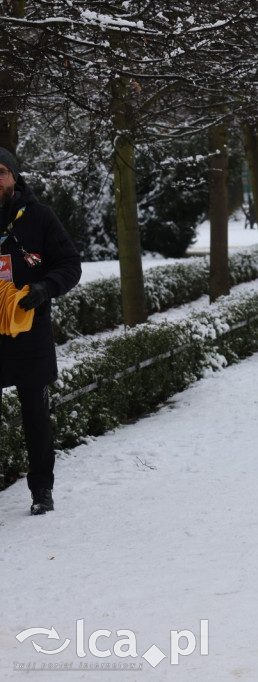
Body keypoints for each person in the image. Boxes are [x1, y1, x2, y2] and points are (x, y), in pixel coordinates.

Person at [0, 146, 82, 515]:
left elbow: (69, 264)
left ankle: (41, 490)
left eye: (0, 171)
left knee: (35, 413)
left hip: (29, 334)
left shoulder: (39, 217)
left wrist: (46, 288)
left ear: (14, 177)